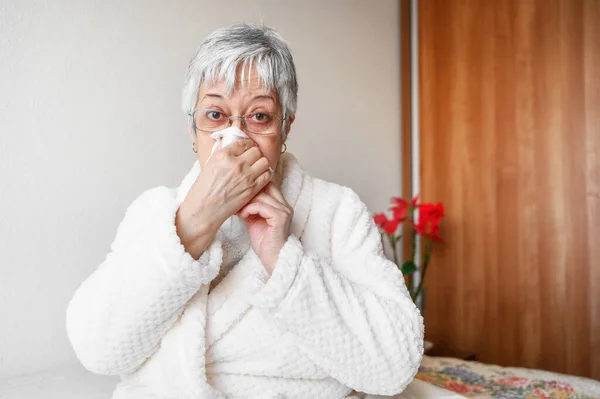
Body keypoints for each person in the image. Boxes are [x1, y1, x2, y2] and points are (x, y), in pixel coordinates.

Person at [66, 23, 427, 399]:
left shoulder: (338, 212)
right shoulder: (153, 212)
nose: (235, 139)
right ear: (193, 131)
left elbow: (395, 366)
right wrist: (190, 227)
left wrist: (283, 260)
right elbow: (98, 351)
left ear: (285, 128)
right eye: (215, 116)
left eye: (259, 117)